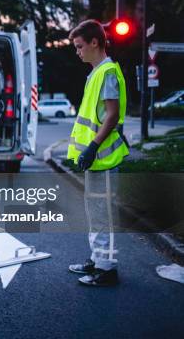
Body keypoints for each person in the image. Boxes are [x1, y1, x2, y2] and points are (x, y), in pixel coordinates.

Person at [67, 20, 129, 287]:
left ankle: (107, 270)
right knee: (95, 213)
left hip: (103, 156)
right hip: (96, 158)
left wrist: (92, 147)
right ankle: (97, 259)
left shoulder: (108, 73)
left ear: (95, 42)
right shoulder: (96, 73)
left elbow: (112, 115)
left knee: (103, 214)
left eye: (80, 46)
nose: (77, 52)